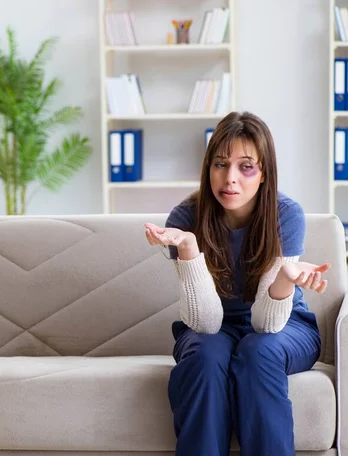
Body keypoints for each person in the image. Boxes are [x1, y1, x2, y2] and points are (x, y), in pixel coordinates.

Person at [145, 111, 329, 456]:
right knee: (204, 354)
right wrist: (188, 249)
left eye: (246, 166)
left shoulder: (285, 215)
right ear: (208, 169)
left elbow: (266, 324)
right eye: (220, 164)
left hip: (285, 325)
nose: (230, 179)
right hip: (214, 326)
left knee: (258, 351)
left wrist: (283, 281)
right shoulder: (185, 219)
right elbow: (205, 323)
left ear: (264, 174)